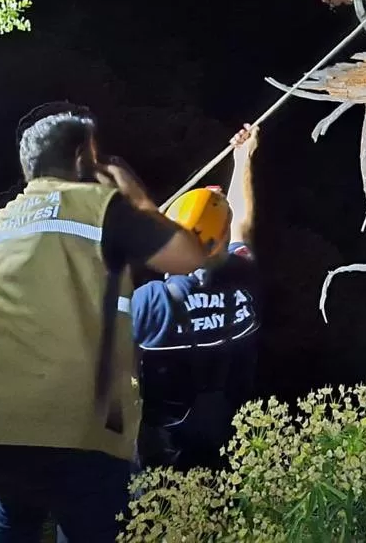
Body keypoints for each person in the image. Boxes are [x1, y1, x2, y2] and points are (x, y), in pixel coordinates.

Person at [0, 104, 227, 543]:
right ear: (85, 159)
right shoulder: (101, 206)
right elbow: (187, 258)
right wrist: (138, 198)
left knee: (18, 514)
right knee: (93, 518)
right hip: (75, 424)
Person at [131, 123, 262, 471]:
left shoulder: (151, 303)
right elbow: (241, 226)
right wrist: (243, 158)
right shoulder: (245, 282)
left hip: (164, 443)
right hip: (225, 432)